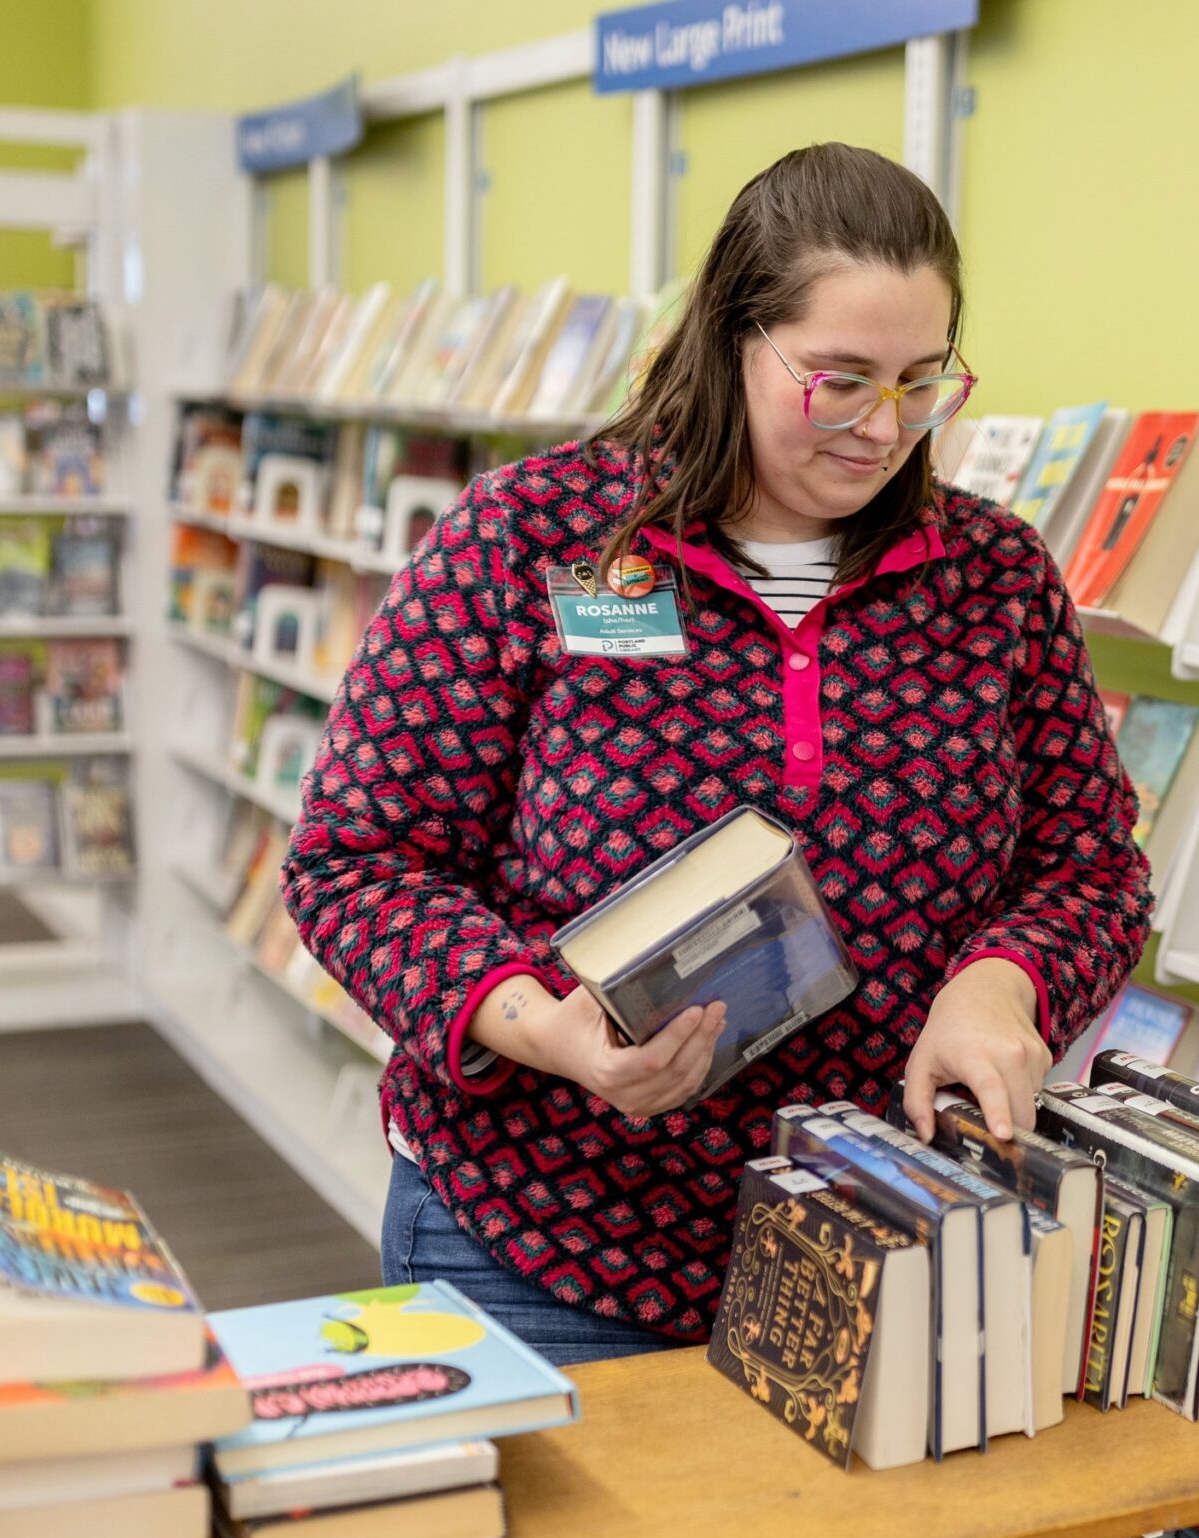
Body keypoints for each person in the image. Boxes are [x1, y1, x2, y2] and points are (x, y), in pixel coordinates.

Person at [283, 142, 1153, 1366]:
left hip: (880, 1248)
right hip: (543, 1250)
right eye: (838, 380)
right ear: (733, 338)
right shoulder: (530, 536)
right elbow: (354, 860)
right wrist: (543, 1028)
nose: (882, 429)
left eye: (921, 382)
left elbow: (1092, 866)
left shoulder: (995, 577)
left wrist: (1001, 982)